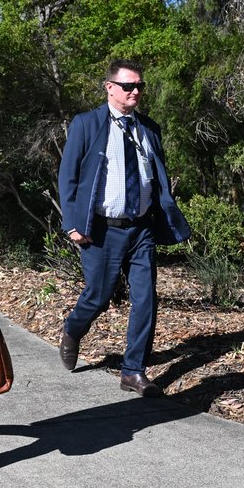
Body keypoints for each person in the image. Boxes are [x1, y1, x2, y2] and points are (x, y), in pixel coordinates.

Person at [57, 59, 190, 396]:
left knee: (146, 299)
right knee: (99, 295)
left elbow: (155, 175)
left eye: (139, 86)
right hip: (101, 229)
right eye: (128, 86)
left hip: (141, 227)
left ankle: (133, 371)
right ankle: (73, 328)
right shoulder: (87, 124)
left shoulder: (149, 129)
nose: (135, 92)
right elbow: (68, 176)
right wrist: (72, 223)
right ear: (110, 88)